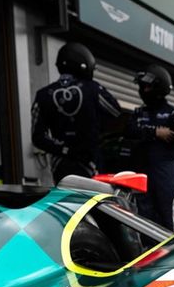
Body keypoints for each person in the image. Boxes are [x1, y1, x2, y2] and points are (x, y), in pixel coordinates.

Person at [31, 42, 121, 183]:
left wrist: (63, 149)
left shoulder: (42, 95)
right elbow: (116, 112)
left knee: (63, 202)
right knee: (93, 202)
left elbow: (38, 137)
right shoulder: (93, 89)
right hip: (90, 161)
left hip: (59, 163)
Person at [125, 63, 174, 231]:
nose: (142, 90)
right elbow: (129, 131)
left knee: (169, 220)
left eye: (145, 87)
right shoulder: (139, 113)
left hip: (166, 173)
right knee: (143, 222)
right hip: (141, 174)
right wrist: (155, 133)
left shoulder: (172, 114)